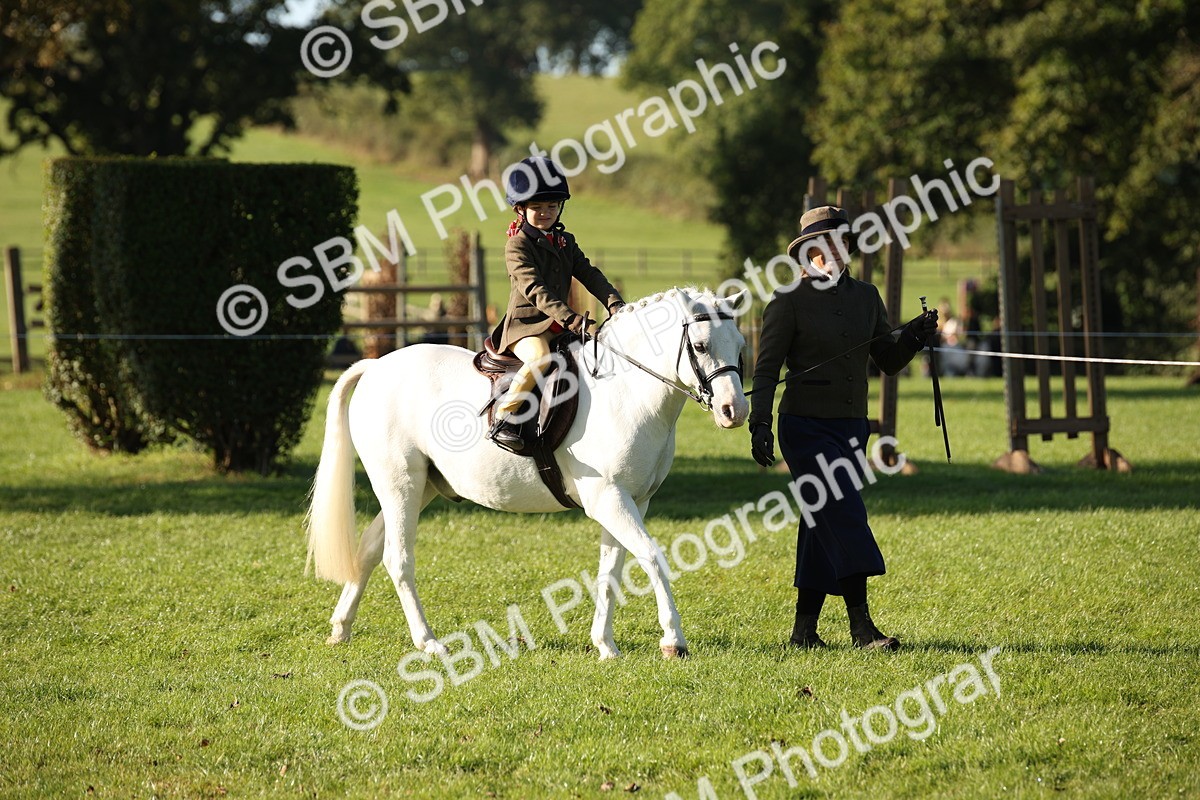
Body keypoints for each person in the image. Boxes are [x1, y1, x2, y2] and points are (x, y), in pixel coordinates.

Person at [748, 206, 937, 651]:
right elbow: (766, 368)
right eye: (820, 246)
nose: (830, 253)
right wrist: (759, 422)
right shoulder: (787, 300)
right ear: (807, 254)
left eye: (839, 243)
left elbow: (888, 361)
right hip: (804, 428)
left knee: (820, 523)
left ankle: (803, 633)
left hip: (852, 428)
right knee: (844, 511)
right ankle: (862, 629)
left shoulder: (867, 297)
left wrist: (914, 336)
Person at [488, 156, 625, 453]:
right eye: (537, 208)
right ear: (521, 209)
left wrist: (615, 303)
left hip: (560, 327)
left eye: (552, 206)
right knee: (539, 359)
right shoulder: (517, 245)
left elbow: (589, 274)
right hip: (526, 329)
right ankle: (506, 419)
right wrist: (575, 321)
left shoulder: (566, 241)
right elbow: (536, 290)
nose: (546, 213)